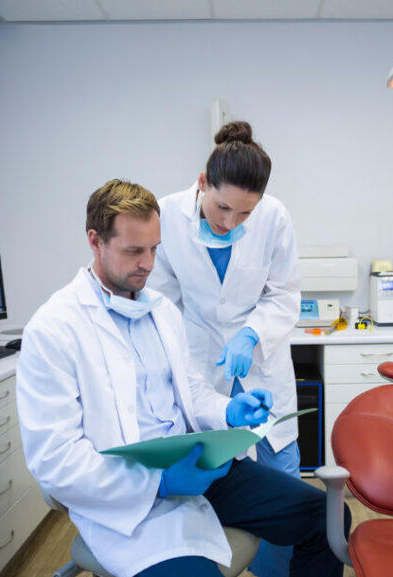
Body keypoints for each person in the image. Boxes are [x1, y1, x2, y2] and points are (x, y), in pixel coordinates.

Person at [16, 179, 346, 577]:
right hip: (128, 495)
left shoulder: (160, 311)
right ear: (95, 240)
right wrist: (161, 483)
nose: (148, 264)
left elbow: (188, 389)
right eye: (134, 251)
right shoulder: (54, 329)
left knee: (326, 517)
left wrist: (228, 411)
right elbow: (55, 461)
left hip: (200, 469)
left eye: (155, 249)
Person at [147, 122, 301, 577]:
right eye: (222, 207)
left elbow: (284, 294)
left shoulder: (274, 216)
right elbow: (159, 300)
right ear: (202, 183)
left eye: (244, 214)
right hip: (199, 367)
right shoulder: (166, 214)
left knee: (283, 496)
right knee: (212, 493)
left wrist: (252, 334)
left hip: (262, 368)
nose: (231, 222)